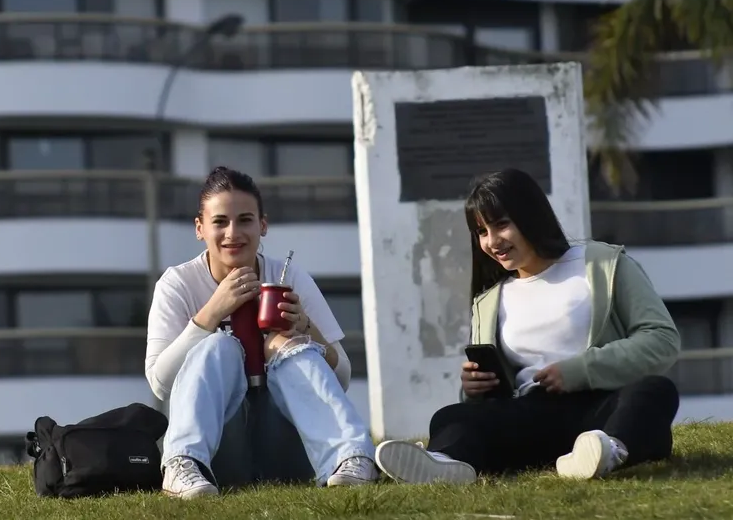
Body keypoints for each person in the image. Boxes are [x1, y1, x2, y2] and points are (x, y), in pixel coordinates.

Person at [375, 167, 681, 484]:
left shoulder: (604, 265)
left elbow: (661, 339)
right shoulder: (490, 301)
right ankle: (444, 462)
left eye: (501, 225)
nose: (492, 242)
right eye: (481, 232)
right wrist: (475, 389)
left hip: (601, 405)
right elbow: (496, 396)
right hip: (531, 415)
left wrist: (578, 370)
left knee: (654, 391)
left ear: (530, 215)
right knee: (450, 416)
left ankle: (608, 450)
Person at [144, 166, 378, 499]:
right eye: (220, 222)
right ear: (200, 228)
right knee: (219, 347)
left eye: (245, 220)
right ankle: (183, 463)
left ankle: (351, 457)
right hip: (220, 445)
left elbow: (341, 375)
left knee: (287, 343)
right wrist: (211, 313)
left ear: (262, 225)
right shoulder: (178, 283)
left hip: (283, 436)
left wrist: (307, 329)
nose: (232, 233)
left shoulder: (288, 276)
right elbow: (159, 382)